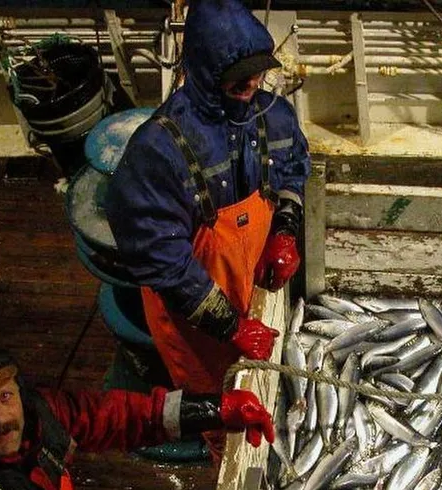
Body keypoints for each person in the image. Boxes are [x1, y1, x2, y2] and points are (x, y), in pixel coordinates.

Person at [104, 0, 309, 462]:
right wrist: (229, 325)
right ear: (202, 70)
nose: (253, 84)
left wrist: (286, 229)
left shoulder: (271, 114)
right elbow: (164, 261)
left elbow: (293, 168)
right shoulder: (159, 151)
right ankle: (221, 454)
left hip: (252, 283)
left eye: (258, 73)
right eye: (239, 77)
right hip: (194, 314)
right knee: (216, 402)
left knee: (265, 388)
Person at [0, 328, 274, 490]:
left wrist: (213, 409)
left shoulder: (40, 412)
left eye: (5, 396)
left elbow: (115, 417)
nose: (2, 420)